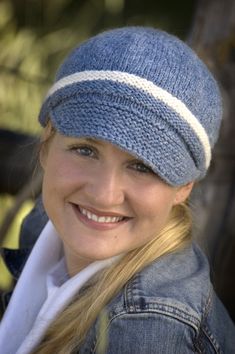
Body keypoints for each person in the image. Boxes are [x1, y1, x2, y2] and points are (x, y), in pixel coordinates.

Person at [0, 26, 234, 354]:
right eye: (85, 150)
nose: (104, 195)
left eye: (142, 167)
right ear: (46, 144)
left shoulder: (142, 328)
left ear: (184, 187)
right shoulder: (48, 226)